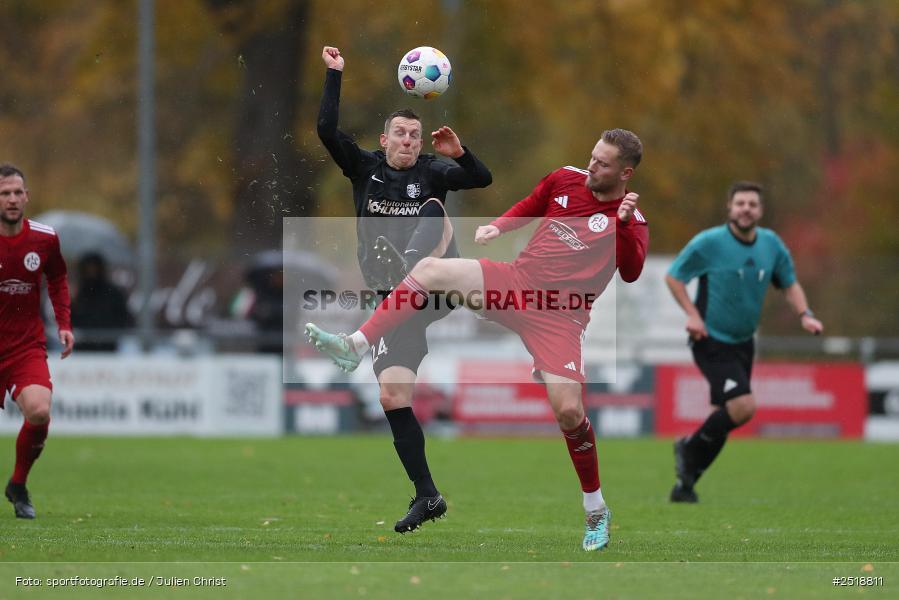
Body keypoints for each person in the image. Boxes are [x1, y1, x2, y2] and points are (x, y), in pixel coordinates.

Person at [307, 129, 649, 551]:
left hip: (561, 317)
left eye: (603, 164)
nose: (592, 167)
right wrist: (498, 227)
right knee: (431, 272)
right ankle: (355, 344)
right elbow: (532, 204)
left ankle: (595, 510)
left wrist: (626, 226)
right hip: (516, 285)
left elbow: (631, 271)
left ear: (625, 173)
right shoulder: (565, 178)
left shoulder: (630, 218)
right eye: (593, 157)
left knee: (569, 413)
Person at [315, 46, 492, 533]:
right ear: (384, 138)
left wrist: (460, 153)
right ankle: (428, 496)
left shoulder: (431, 170)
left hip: (435, 283)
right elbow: (327, 131)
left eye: (416, 135)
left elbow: (481, 178)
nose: (410, 141)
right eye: (401, 133)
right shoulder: (363, 168)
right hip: (392, 304)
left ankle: (449, 279)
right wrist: (335, 75)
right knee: (392, 395)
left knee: (436, 205)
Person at [665, 181, 824, 503]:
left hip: (743, 342)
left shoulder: (772, 245)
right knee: (743, 406)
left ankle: (686, 485)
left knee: (721, 416)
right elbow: (674, 276)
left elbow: (789, 284)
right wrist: (693, 315)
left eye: (752, 204)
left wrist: (805, 313)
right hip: (709, 339)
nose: (746, 209)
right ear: (730, 208)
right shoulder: (709, 243)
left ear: (760, 211)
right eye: (740, 203)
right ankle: (688, 449)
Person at [0, 164, 74, 519]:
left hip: (23, 346)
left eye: (17, 193)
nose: (12, 200)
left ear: (27, 196)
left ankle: (17, 484)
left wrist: (64, 324)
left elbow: (58, 278)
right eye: (4, 193)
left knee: (40, 411)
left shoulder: (44, 238)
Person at [71, 252, 134, 352]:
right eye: (88, 269)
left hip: (107, 348)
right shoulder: (77, 293)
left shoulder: (113, 293)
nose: (91, 272)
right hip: (82, 350)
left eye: (94, 268)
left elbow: (124, 318)